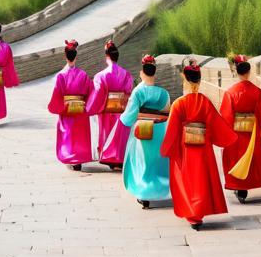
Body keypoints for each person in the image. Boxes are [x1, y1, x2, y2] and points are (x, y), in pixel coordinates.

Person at [160, 57, 237, 229]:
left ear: (185, 80)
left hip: (184, 148)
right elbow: (217, 124)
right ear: (199, 81)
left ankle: (192, 213)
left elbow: (171, 130)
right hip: (203, 149)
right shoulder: (205, 102)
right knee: (201, 180)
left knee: (186, 180)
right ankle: (199, 212)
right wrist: (229, 137)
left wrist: (167, 148)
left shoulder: (179, 104)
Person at [220, 54, 261, 203]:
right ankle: (244, 190)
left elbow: (225, 116)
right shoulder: (258, 92)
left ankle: (239, 187)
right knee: (250, 158)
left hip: (235, 133)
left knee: (236, 158)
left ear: (236, 71)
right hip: (252, 132)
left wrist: (224, 135)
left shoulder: (230, 93)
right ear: (249, 72)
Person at [119, 54, 172, 207]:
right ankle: (161, 188)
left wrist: (123, 119)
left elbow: (129, 116)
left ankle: (144, 192)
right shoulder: (164, 94)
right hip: (159, 130)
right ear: (154, 72)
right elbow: (167, 114)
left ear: (142, 72)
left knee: (142, 161)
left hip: (142, 130)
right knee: (157, 161)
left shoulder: (138, 92)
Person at [86, 40, 134, 170]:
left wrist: (89, 108)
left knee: (107, 131)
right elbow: (128, 92)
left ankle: (108, 156)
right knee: (119, 132)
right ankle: (119, 156)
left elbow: (97, 94)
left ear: (106, 56)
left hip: (106, 110)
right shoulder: (126, 75)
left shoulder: (100, 76)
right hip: (121, 110)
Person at [47, 40, 94, 169]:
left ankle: (70, 156)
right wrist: (85, 106)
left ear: (65, 56)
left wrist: (60, 106)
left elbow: (57, 96)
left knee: (68, 131)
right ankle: (78, 158)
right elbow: (92, 92)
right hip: (80, 108)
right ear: (76, 56)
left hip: (66, 108)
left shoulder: (61, 76)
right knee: (79, 133)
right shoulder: (83, 75)